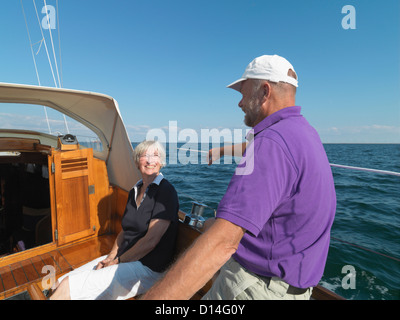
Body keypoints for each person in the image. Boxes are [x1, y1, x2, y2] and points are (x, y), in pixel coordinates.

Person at [142, 54, 336, 300]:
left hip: (255, 288)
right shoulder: (304, 133)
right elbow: (264, 150)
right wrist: (221, 150)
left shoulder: (271, 142)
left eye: (243, 93)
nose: (240, 103)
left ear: (265, 92)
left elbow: (223, 243)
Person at [50, 140, 179, 300]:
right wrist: (110, 257)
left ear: (161, 162)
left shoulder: (166, 191)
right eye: (145, 156)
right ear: (137, 161)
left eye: (155, 156)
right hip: (125, 259)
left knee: (67, 287)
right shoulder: (135, 190)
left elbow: (151, 241)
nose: (150, 160)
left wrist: (117, 261)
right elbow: (124, 232)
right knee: (59, 282)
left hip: (148, 268)